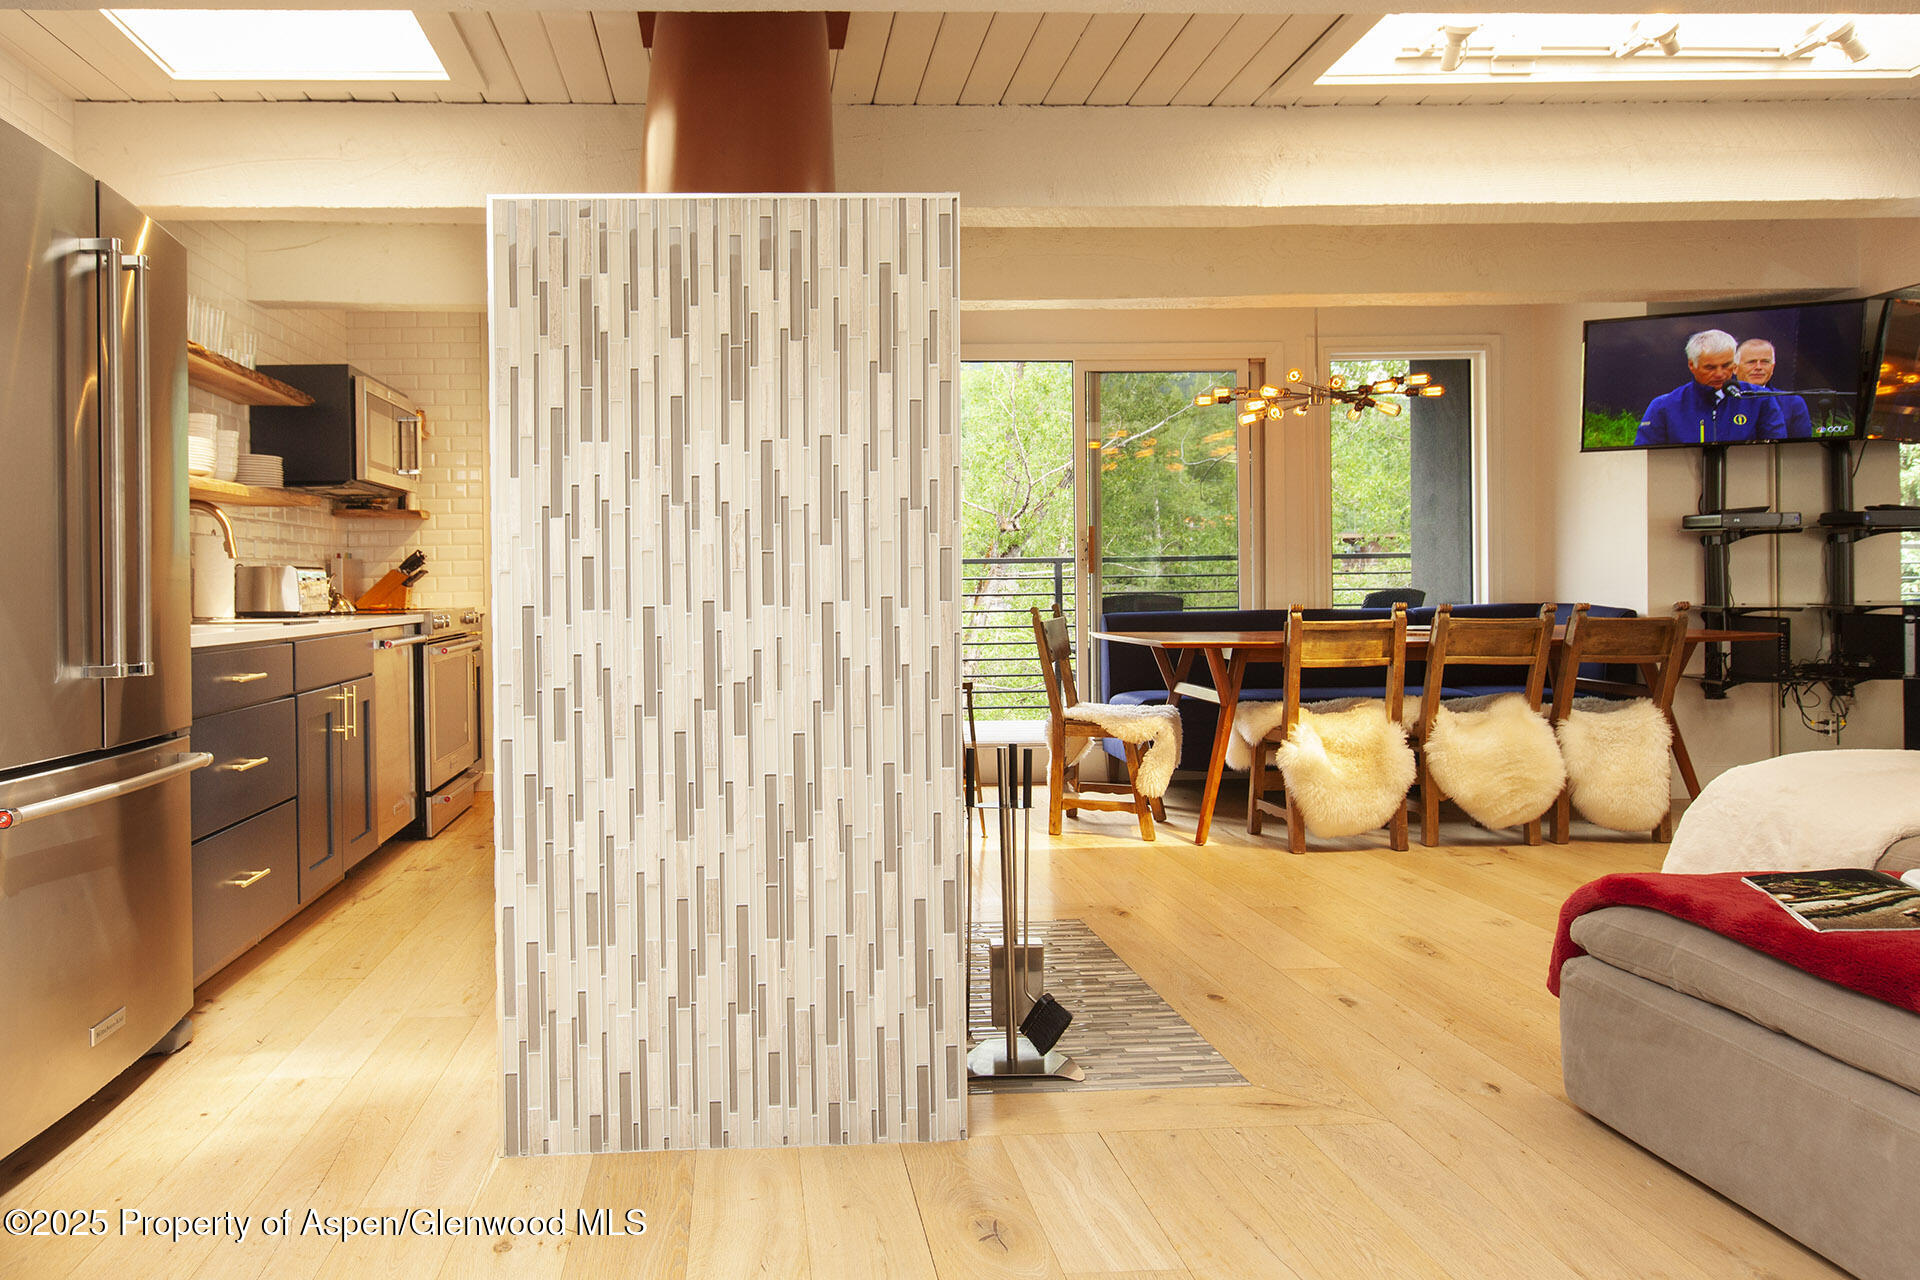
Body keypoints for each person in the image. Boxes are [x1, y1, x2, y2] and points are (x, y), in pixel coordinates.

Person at [1635, 329, 1786, 445]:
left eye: (1726, 365)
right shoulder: (1664, 406)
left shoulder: (1760, 399)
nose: (1720, 374)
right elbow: (1645, 459)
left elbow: (1775, 451)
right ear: (1692, 365)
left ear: (1734, 363)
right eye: (1710, 368)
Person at [1735, 338, 1814, 439]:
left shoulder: (1793, 403)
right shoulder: (1722, 401)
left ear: (1772, 368)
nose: (1758, 367)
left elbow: (1802, 448)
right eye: (1751, 362)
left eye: (1765, 362)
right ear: (1735, 368)